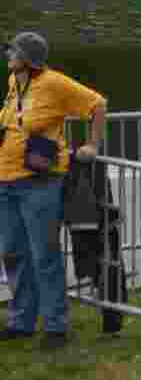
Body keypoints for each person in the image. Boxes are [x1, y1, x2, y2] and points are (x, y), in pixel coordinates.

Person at [0, 31, 107, 349]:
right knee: (14, 254)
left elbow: (98, 103)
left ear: (29, 58)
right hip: (7, 180)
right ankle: (21, 322)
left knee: (44, 255)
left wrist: (92, 144)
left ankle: (56, 326)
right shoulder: (15, 83)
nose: (8, 55)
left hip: (39, 182)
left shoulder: (54, 82)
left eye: (14, 52)